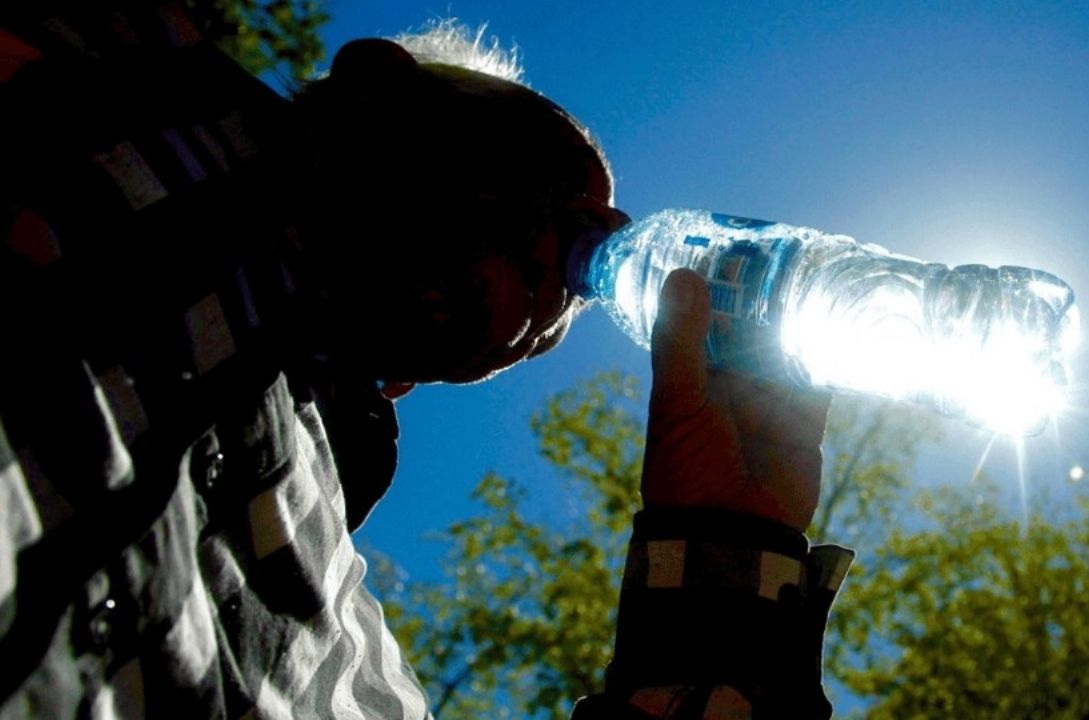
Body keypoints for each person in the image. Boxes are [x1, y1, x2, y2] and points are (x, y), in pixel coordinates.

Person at [0, 3, 853, 718]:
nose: (597, 245)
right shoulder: (121, 73)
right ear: (371, 89)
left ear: (405, 382)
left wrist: (727, 547)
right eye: (554, 175)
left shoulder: (332, 621)